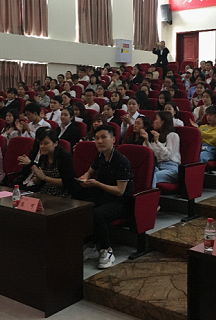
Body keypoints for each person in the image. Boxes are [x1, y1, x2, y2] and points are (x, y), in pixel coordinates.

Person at [79, 125, 134, 269]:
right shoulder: (100, 156)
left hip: (121, 201)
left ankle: (107, 250)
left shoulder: (121, 161)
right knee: (82, 207)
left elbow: (120, 191)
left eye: (103, 137)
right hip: (103, 196)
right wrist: (84, 178)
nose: (99, 141)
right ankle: (91, 245)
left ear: (113, 139)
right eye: (97, 138)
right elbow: (89, 172)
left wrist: (96, 184)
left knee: (97, 214)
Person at [24, 129, 78, 197]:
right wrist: (37, 177)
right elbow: (38, 182)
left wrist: (45, 178)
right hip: (45, 191)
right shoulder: (43, 157)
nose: (42, 146)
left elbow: (67, 182)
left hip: (63, 193)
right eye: (41, 144)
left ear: (55, 143)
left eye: (46, 143)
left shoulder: (64, 157)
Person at [143, 111, 181, 188]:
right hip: (158, 166)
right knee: (143, 173)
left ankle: (151, 195)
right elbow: (151, 154)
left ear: (163, 122)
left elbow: (167, 156)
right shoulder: (156, 136)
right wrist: (146, 140)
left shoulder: (173, 135)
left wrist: (157, 142)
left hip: (171, 168)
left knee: (151, 176)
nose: (154, 122)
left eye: (156, 119)